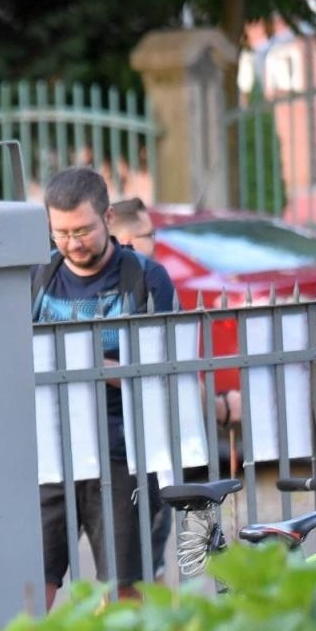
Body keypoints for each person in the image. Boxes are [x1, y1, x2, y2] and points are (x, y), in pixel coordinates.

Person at [33, 168, 178, 607]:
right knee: (32, 579)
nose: (73, 243)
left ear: (108, 217)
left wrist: (91, 366)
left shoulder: (146, 279)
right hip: (48, 455)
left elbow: (165, 369)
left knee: (124, 586)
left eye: (83, 230)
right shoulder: (37, 278)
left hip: (121, 454)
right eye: (61, 233)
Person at [108, 195, 173, 571]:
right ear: (129, 235)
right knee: (146, 565)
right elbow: (164, 368)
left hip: (119, 447)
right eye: (151, 233)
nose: (156, 243)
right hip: (141, 446)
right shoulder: (149, 281)